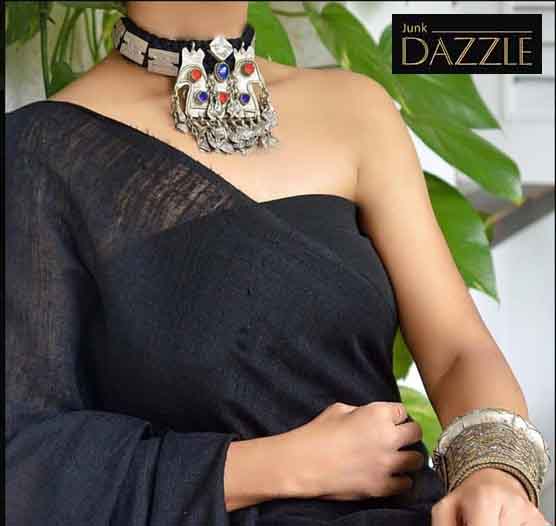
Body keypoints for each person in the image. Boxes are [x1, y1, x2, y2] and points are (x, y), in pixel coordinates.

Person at [5, 2, 551, 525]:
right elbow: (24, 459)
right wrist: (281, 466)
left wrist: (494, 477)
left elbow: (458, 350)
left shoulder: (356, 111)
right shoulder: (42, 152)